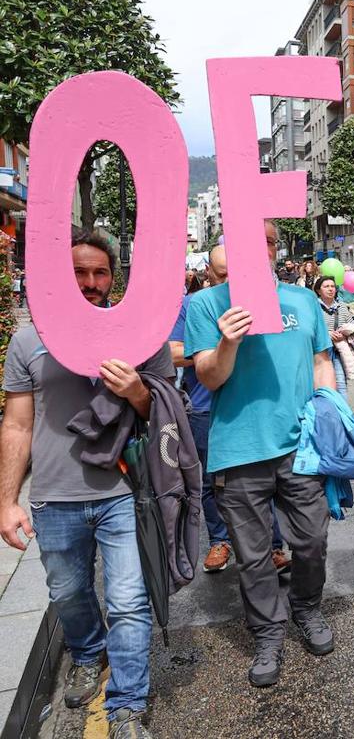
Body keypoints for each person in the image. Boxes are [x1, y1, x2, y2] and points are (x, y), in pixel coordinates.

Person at [0, 230, 174, 738]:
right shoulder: (29, 340)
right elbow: (15, 424)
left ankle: (126, 707)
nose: (91, 282)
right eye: (80, 272)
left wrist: (138, 391)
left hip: (123, 492)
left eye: (100, 273)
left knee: (127, 600)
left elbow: (166, 413)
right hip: (54, 498)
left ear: (113, 278)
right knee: (69, 593)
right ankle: (88, 652)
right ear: (60, 276)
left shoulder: (142, 334)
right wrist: (6, 499)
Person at [185, 221, 337, 688]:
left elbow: (320, 361)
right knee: (253, 558)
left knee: (311, 542)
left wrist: (329, 416)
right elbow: (208, 377)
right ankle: (268, 633)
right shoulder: (206, 303)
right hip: (238, 451)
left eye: (268, 241)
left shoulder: (303, 300)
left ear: (276, 248)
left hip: (299, 449)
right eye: (250, 239)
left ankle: (306, 608)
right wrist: (228, 340)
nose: (261, 249)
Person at [169, 246, 291, 574]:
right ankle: (219, 541)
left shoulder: (262, 300)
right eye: (221, 274)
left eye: (232, 273)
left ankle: (274, 545)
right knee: (208, 481)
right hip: (204, 406)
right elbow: (171, 351)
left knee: (261, 479)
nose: (228, 280)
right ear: (208, 270)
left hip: (250, 406)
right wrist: (210, 347)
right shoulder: (194, 305)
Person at [315, 275, 354, 398]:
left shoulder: (342, 306)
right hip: (320, 352)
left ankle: (342, 415)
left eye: (332, 286)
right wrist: (326, 334)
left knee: (341, 388)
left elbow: (352, 326)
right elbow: (310, 329)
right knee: (322, 386)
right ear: (318, 290)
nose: (330, 289)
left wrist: (344, 333)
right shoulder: (314, 307)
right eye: (326, 286)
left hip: (338, 352)